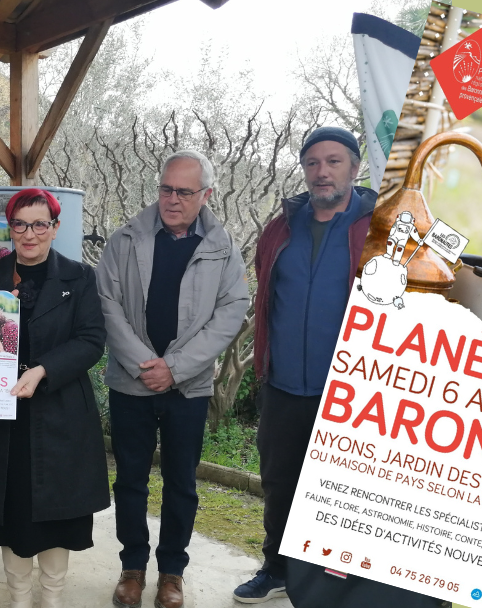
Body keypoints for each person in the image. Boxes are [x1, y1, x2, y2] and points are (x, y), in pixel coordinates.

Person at [98, 150, 248, 608]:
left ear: (205, 194)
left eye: (184, 192)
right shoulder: (124, 239)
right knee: (130, 481)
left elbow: (231, 312)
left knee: (181, 482)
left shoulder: (223, 248)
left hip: (189, 388)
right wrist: (147, 364)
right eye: (166, 189)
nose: (173, 199)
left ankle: (171, 574)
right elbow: (107, 305)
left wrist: (175, 368)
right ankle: (132, 567)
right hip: (131, 383)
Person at [235, 127, 379, 602]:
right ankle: (276, 568)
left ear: (355, 168)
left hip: (351, 393)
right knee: (280, 482)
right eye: (313, 163)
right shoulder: (282, 227)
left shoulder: (381, 226)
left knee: (342, 491)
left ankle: (334, 585)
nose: (322, 172)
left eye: (334, 161)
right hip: (283, 386)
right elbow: (266, 296)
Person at [0, 188, 110, 608]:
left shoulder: (80, 277)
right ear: (10, 228)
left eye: (40, 224)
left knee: (58, 512)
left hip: (60, 414)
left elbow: (92, 340)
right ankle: (20, 598)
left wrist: (43, 370)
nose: (30, 233)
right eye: (20, 224)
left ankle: (52, 598)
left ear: (55, 229)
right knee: (10, 511)